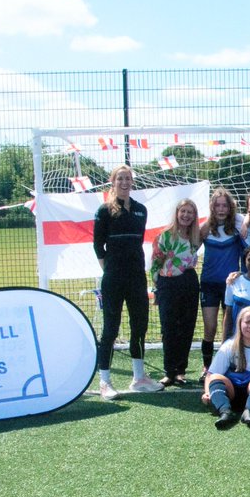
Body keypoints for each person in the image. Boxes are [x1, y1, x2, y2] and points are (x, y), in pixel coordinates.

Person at [92, 165, 163, 400]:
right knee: (110, 329)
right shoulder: (104, 211)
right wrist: (110, 269)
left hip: (136, 278)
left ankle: (139, 378)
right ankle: (105, 381)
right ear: (112, 182)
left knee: (139, 325)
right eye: (120, 178)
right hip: (113, 278)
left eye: (128, 178)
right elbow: (97, 246)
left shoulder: (141, 210)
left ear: (132, 182)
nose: (124, 182)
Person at [150, 197, 201, 387]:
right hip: (168, 283)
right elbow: (155, 263)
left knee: (186, 327)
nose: (186, 215)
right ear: (177, 213)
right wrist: (158, 288)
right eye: (183, 211)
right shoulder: (164, 236)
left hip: (188, 281)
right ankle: (169, 371)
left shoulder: (196, 237)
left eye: (190, 212)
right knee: (169, 328)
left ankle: (181, 371)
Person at [201, 305, 250, 429]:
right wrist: (208, 393)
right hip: (232, 394)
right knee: (215, 377)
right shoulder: (229, 345)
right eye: (247, 322)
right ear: (240, 324)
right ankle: (225, 412)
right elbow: (210, 374)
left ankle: (249, 412)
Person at [198, 187, 244, 375]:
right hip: (208, 284)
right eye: (217, 205)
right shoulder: (205, 228)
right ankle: (207, 367)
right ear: (212, 207)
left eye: (225, 205)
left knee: (231, 328)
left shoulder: (238, 225)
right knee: (210, 328)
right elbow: (189, 247)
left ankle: (228, 364)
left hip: (230, 286)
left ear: (230, 207)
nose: (221, 209)